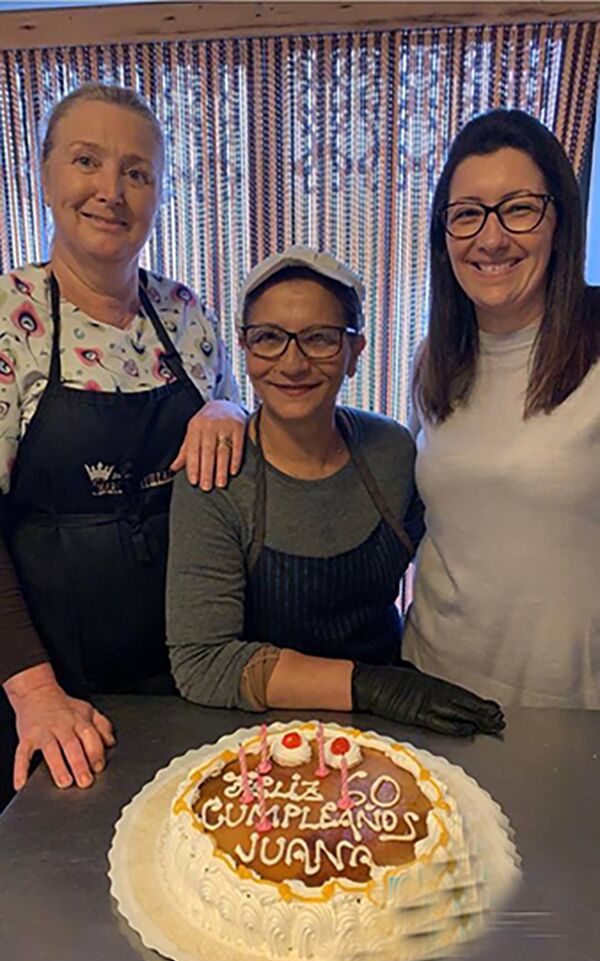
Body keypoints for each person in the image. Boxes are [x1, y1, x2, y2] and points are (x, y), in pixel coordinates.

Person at [0, 82, 246, 798]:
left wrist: (231, 412)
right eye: (86, 161)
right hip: (52, 697)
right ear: (44, 177)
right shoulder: (11, 317)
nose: (111, 190)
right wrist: (35, 692)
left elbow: (236, 442)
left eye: (136, 173)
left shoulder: (185, 314)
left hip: (189, 678)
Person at [167, 246, 504, 737]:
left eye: (320, 339)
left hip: (392, 726)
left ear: (354, 354)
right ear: (244, 348)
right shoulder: (216, 474)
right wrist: (371, 687)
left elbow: (453, 563)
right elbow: (203, 663)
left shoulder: (391, 451)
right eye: (268, 339)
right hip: (261, 738)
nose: (293, 363)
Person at [403, 109, 599, 709]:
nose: (491, 239)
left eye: (518, 208)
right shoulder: (433, 358)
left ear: (559, 219)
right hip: (432, 689)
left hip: (571, 707)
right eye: (466, 215)